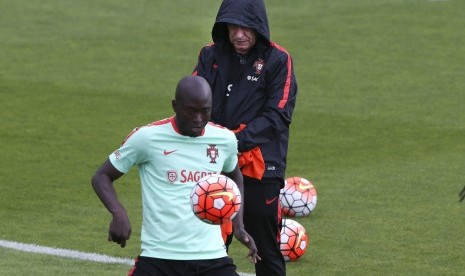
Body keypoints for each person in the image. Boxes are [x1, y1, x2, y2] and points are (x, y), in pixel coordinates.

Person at [91, 76, 260, 276]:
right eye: (191, 111)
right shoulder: (147, 138)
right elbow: (101, 176)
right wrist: (118, 212)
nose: (198, 119)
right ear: (175, 106)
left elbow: (234, 175)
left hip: (211, 257)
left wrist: (238, 226)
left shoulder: (225, 139)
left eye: (205, 111)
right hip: (159, 257)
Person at [192, 0, 298, 275]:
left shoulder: (278, 60)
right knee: (208, 243)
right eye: (233, 27)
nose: (239, 34)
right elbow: (193, 100)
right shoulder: (209, 56)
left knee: (264, 247)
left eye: (247, 27)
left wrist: (232, 140)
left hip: (260, 167)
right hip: (214, 163)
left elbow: (278, 115)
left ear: (259, 27)